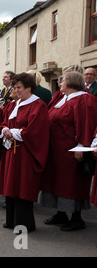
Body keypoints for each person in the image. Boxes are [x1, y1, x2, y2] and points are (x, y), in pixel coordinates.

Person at [40, 71, 97, 231]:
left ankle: (77, 218)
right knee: (57, 183)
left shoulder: (84, 100)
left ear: (71, 82)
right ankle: (61, 213)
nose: (60, 83)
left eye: (63, 80)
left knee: (72, 184)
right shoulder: (62, 98)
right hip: (57, 151)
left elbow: (87, 124)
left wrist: (81, 146)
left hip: (72, 152)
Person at [0, 72, 49, 233]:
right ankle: (11, 221)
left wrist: (12, 132)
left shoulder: (38, 105)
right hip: (11, 152)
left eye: (19, 87)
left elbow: (34, 131)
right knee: (11, 185)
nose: (16, 90)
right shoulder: (14, 104)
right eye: (15, 87)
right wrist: (5, 128)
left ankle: (24, 224)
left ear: (29, 88)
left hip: (26, 153)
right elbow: (5, 121)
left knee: (22, 186)